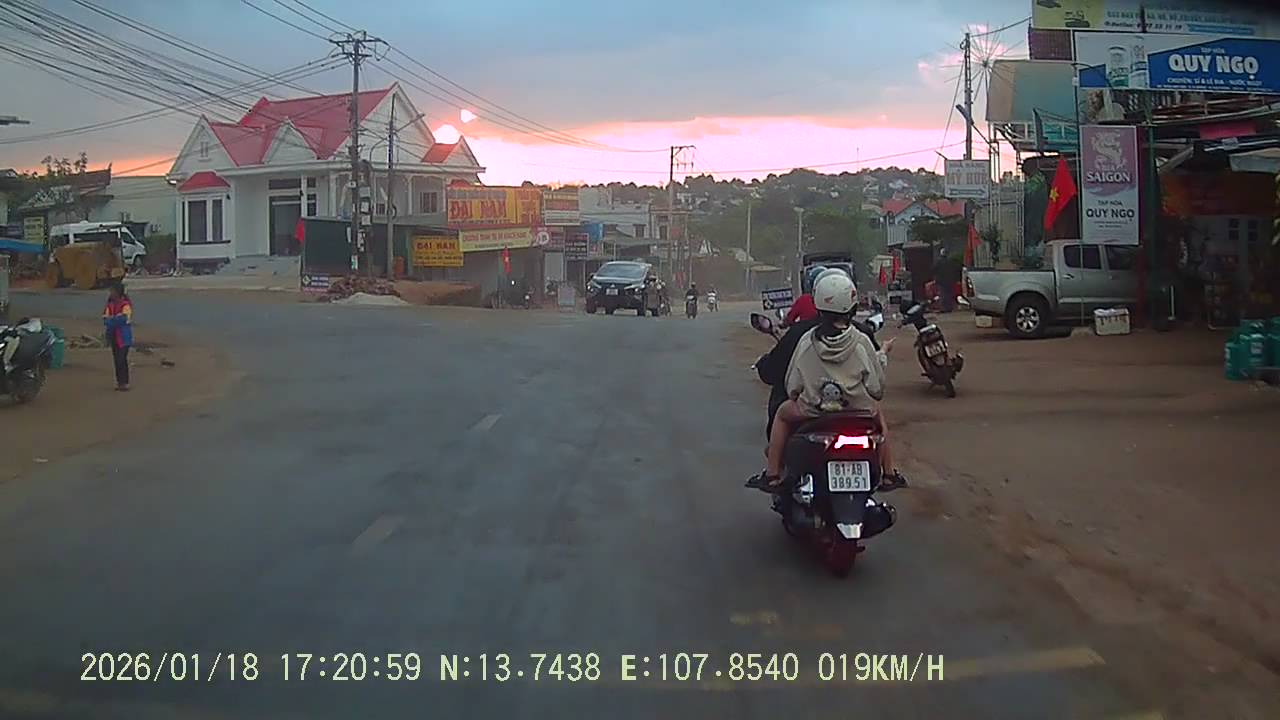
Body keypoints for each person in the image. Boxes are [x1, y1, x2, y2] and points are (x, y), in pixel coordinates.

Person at [748, 272, 902, 493]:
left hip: (814, 410)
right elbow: (877, 389)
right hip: (857, 410)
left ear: (818, 304)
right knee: (878, 413)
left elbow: (792, 386)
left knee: (782, 413)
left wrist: (800, 395)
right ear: (853, 307)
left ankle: (772, 475)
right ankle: (889, 474)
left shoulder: (806, 340)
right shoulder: (861, 340)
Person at [103, 280, 134, 391]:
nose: (111, 293)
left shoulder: (125, 305)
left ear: (117, 292)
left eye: (112, 291)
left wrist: (112, 320)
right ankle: (120, 382)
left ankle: (124, 382)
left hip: (123, 337)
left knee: (121, 359)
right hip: (114, 336)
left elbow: (123, 319)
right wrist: (114, 320)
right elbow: (107, 320)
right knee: (117, 360)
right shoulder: (110, 305)